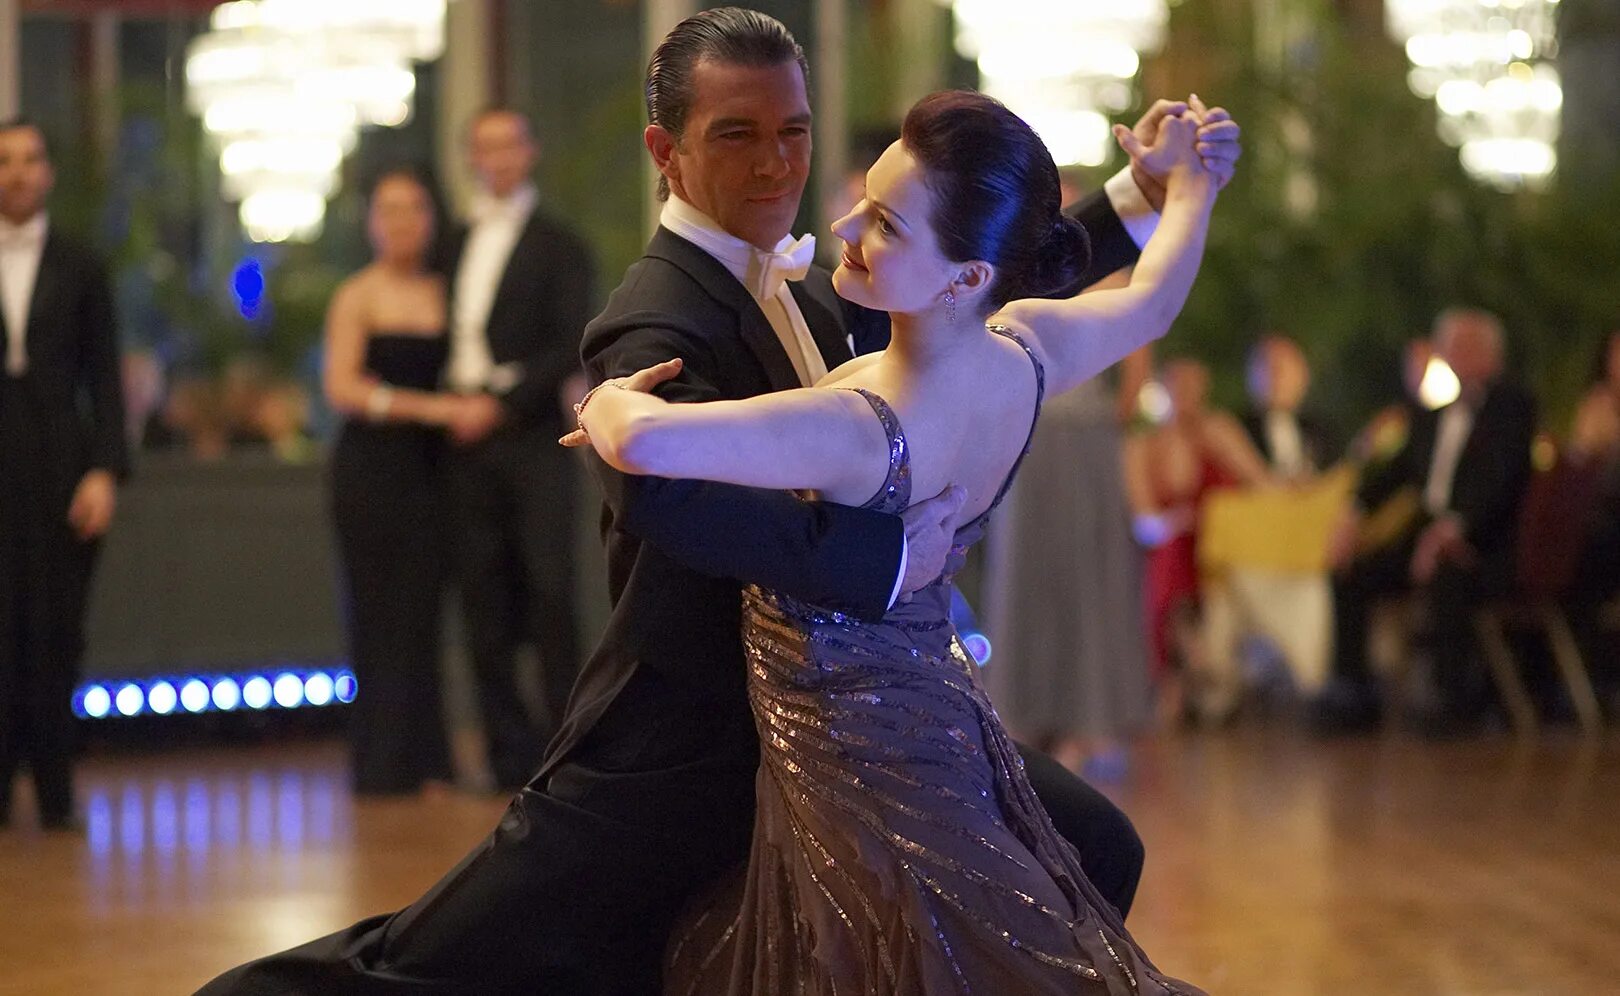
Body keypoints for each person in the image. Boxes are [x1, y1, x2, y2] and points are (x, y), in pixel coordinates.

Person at [196, 9, 1241, 993]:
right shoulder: (651, 315)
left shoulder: (835, 281)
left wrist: (1140, 195)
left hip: (866, 718)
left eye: (794, 131)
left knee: (1086, 851)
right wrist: (883, 559)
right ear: (668, 152)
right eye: (739, 134)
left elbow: (967, 268)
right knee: (447, 959)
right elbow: (672, 501)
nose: (779, 164)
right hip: (690, 726)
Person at [564, 82, 1217, 993]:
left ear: (967, 277)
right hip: (940, 715)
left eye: (883, 224)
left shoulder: (860, 427)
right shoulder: (1027, 350)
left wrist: (603, 400)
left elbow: (641, 443)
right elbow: (1151, 303)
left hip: (845, 753)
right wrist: (1193, 186)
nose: (844, 228)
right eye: (863, 203)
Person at [445, 107, 597, 788]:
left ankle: (566, 752)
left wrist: (501, 405)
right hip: (461, 442)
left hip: (535, 437)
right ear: (471, 158)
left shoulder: (562, 245)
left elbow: (570, 343)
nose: (497, 158)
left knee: (549, 593)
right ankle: (505, 754)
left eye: (508, 145)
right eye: (485, 147)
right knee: (481, 599)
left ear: (529, 152)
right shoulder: (453, 242)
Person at [1324, 308, 1537, 735]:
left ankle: (1451, 699)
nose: (1452, 354)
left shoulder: (1513, 407)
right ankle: (1353, 692)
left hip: (1483, 539)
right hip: (1423, 534)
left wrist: (1451, 530)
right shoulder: (1430, 415)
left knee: (1448, 574)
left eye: (1463, 346)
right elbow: (1394, 474)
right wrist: (1352, 515)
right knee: (1351, 572)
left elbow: (1502, 482)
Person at [0, 118, 126, 831]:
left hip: (60, 464)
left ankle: (55, 789)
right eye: (4, 161)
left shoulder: (82, 264)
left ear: (46, 173)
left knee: (56, 629)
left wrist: (104, 470)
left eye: (29, 160)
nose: (18, 172)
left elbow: (105, 376)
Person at [323, 167, 465, 796]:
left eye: (414, 208)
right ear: (371, 222)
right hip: (371, 472)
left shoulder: (448, 291)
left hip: (435, 473)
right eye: (389, 209)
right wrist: (433, 410)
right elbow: (342, 388)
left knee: (425, 614)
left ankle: (430, 761)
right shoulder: (356, 294)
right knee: (376, 613)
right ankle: (381, 764)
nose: (403, 221)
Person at [982, 268, 1155, 778]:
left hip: (1081, 440)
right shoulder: (1018, 262)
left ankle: (1087, 725)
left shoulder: (1108, 271)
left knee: (1086, 574)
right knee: (1028, 573)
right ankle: (1027, 719)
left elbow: (1139, 352)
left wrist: (1109, 419)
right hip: (1032, 433)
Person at [1124, 358, 1271, 716]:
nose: (1186, 395)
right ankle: (1191, 667)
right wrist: (1176, 522)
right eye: (1178, 386)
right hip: (1173, 550)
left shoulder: (1221, 433)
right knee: (1171, 558)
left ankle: (1194, 670)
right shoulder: (1143, 446)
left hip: (1222, 549)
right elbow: (1144, 522)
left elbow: (1262, 486)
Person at [1241, 334, 1337, 481]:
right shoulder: (1236, 431)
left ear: (1303, 375)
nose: (1277, 376)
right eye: (1268, 366)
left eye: (1284, 367)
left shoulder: (1322, 432)